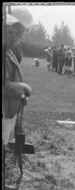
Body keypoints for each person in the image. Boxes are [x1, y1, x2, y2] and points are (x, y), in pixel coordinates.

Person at [3, 14, 32, 148]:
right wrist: (22, 87)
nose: (14, 36)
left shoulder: (9, 52)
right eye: (10, 32)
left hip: (8, 111)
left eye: (18, 33)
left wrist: (20, 96)